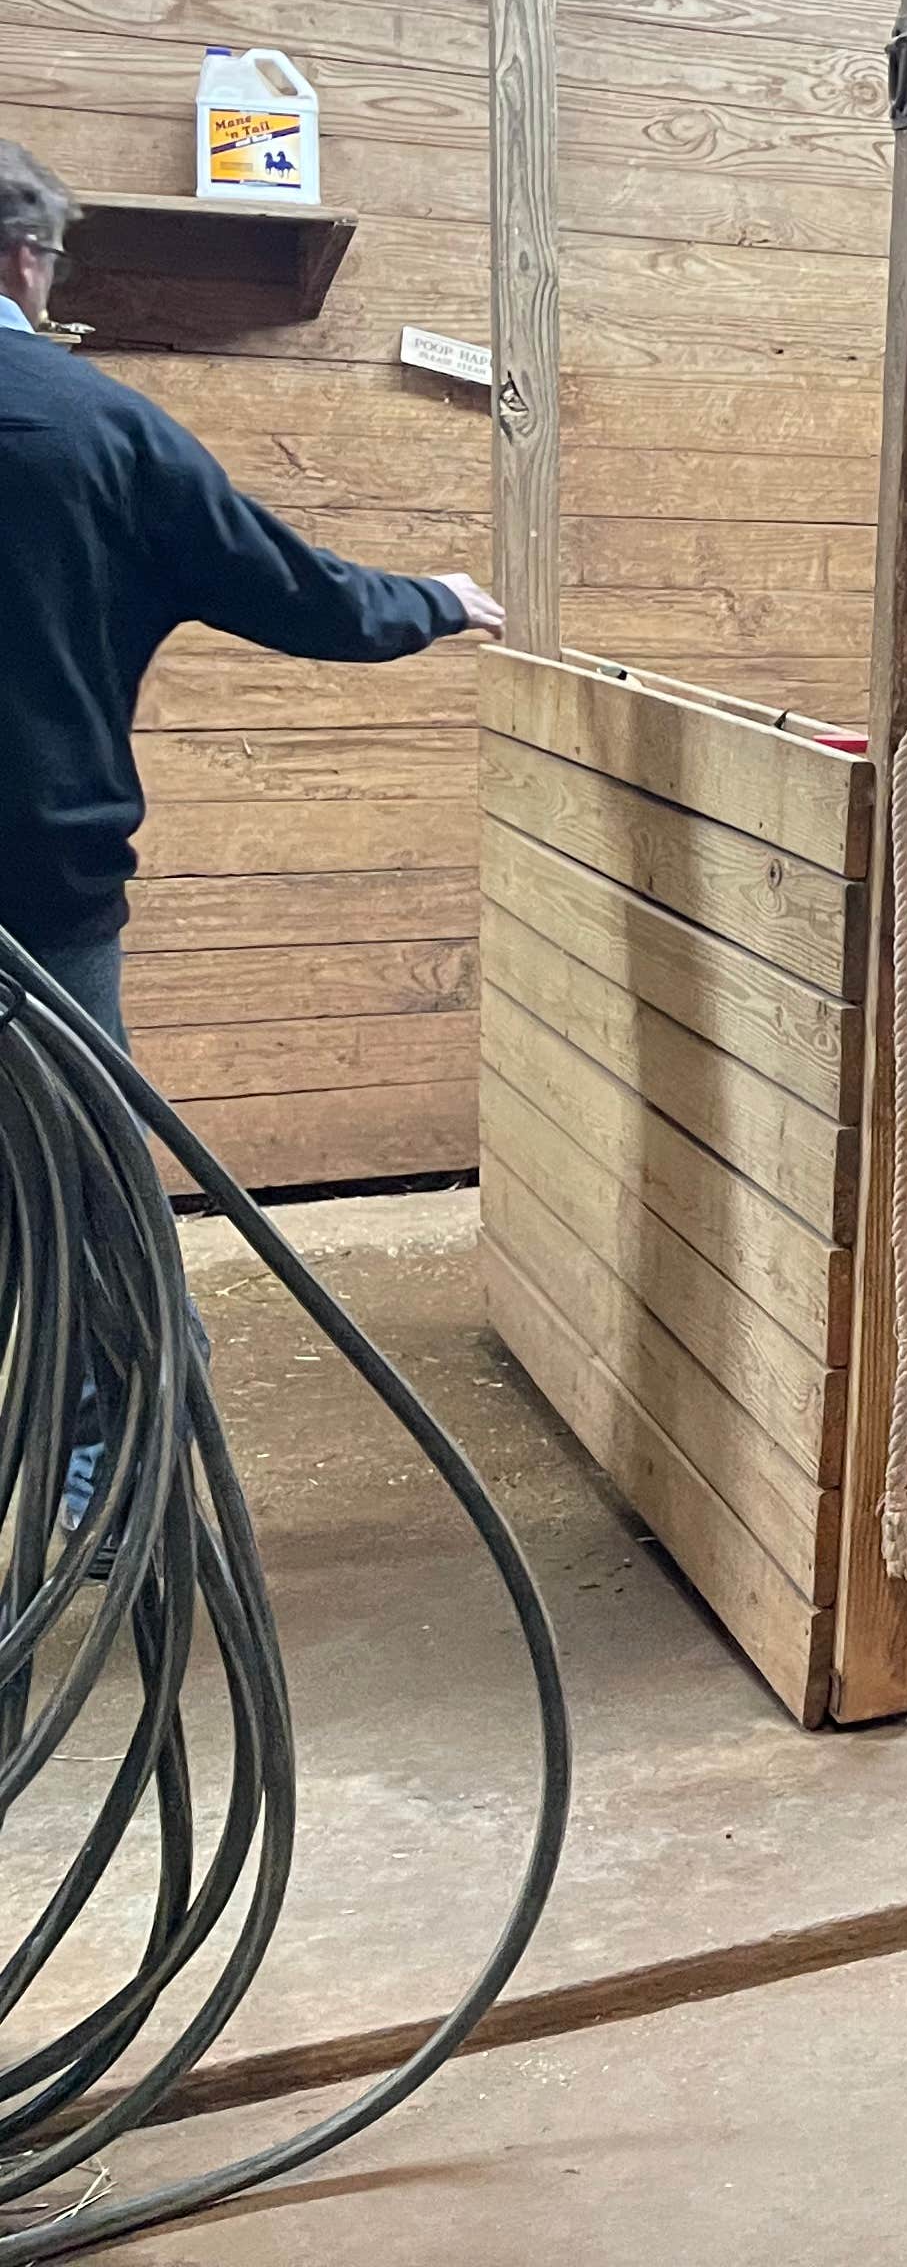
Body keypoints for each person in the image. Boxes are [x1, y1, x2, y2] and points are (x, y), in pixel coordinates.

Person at [0, 136, 504, 1520]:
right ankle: (117, 1470)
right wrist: (435, 599)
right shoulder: (97, 429)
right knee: (84, 1186)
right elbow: (298, 596)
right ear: (28, 260)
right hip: (39, 893)